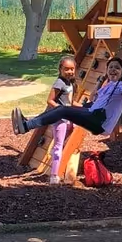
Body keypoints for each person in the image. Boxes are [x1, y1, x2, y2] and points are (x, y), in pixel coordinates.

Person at [12, 55, 122, 143]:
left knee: (63, 110)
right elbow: (93, 98)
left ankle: (26, 126)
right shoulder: (109, 85)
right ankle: (27, 124)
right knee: (66, 108)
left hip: (100, 122)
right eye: (110, 67)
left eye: (117, 68)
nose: (113, 70)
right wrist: (100, 81)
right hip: (93, 114)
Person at [44, 54, 77, 184]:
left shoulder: (70, 83)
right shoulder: (59, 83)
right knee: (58, 146)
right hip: (60, 119)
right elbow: (50, 100)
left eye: (72, 69)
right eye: (66, 69)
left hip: (69, 117)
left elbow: (70, 101)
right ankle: (53, 176)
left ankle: (56, 156)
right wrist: (60, 109)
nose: (69, 72)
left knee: (69, 135)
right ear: (60, 69)